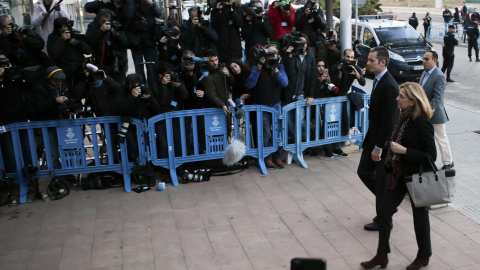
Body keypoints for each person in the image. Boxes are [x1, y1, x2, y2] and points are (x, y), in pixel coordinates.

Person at [360, 82, 436, 270]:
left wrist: (405, 151)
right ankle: (382, 255)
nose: (397, 98)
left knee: (420, 218)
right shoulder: (403, 117)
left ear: (412, 101)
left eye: (401, 96)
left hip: (416, 176)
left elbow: (431, 156)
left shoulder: (422, 122)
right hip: (398, 174)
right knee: (384, 212)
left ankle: (424, 255)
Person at [357, 46, 399, 232]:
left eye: (372, 60)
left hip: (381, 143)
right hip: (373, 138)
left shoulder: (389, 85)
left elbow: (389, 121)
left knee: (380, 180)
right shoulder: (378, 80)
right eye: (368, 59)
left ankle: (382, 216)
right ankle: (388, 203)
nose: (368, 63)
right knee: (364, 173)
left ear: (383, 62)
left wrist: (379, 147)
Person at [246, 44, 288, 169]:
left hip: (276, 105)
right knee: (265, 133)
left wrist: (276, 71)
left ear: (278, 55)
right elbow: (250, 84)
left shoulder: (280, 67)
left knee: (277, 132)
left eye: (274, 54)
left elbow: (285, 83)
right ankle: (265, 157)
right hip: (262, 106)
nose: (272, 56)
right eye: (269, 53)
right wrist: (258, 68)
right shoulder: (258, 67)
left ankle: (276, 156)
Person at [420, 50, 454, 171]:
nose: (424, 61)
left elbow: (437, 98)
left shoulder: (439, 76)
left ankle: (448, 162)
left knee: (441, 139)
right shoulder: (424, 73)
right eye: (423, 58)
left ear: (434, 60)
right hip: (424, 113)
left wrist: (426, 109)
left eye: (427, 59)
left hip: (435, 114)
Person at [125, 0, 162, 93]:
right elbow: (127, 15)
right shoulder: (129, 2)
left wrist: (152, 4)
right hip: (135, 41)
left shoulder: (149, 2)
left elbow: (158, 13)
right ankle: (142, 89)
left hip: (150, 39)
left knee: (151, 67)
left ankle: (153, 90)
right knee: (139, 67)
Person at [85, 9, 129, 85]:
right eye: (103, 21)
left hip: (117, 62)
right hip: (101, 62)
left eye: (108, 21)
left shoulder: (116, 25)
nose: (106, 23)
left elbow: (125, 44)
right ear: (98, 20)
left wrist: (117, 35)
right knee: (103, 87)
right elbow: (89, 42)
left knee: (118, 86)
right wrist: (101, 30)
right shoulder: (93, 26)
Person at [203, 50, 233, 114]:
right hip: (215, 108)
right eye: (212, 61)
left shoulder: (222, 68)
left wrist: (228, 75)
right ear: (207, 62)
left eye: (216, 59)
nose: (215, 63)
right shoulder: (207, 76)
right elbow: (211, 94)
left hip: (226, 104)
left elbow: (232, 83)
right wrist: (222, 104)